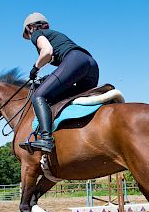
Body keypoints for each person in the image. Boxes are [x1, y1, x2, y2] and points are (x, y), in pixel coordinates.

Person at [20, 12, 99, 152]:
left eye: (27, 32)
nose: (29, 36)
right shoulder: (55, 35)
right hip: (91, 65)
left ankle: (46, 139)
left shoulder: (36, 34)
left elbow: (47, 52)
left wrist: (35, 68)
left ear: (30, 27)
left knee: (39, 96)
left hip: (76, 61)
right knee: (63, 97)